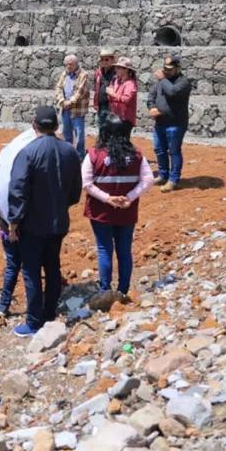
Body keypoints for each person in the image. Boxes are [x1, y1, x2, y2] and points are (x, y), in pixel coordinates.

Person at [7, 106, 82, 337]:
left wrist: (14, 221)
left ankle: (33, 321)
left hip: (32, 225)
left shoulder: (27, 153)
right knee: (52, 267)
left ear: (34, 125)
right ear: (57, 126)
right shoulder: (69, 151)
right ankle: (49, 313)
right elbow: (75, 191)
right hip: (58, 222)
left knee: (31, 271)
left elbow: (17, 189)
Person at [82, 114, 155, 310]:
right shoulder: (137, 155)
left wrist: (107, 199)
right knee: (124, 251)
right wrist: (129, 197)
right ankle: (123, 291)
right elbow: (148, 180)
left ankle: (105, 290)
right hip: (126, 212)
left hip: (101, 213)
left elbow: (86, 183)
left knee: (105, 250)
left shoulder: (93, 155)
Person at [0, 130, 37, 316]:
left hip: (5, 223)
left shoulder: (4, 163)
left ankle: (3, 305)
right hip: (23, 226)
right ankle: (33, 307)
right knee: (29, 266)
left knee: (12, 265)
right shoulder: (25, 170)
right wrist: (14, 225)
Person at [147, 54, 192, 192]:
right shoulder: (162, 82)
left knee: (174, 151)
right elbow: (151, 96)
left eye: (170, 69)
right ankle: (163, 175)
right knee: (159, 150)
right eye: (165, 68)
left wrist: (162, 79)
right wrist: (152, 107)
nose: (167, 71)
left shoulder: (183, 82)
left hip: (176, 124)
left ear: (177, 68)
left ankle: (173, 179)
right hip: (160, 123)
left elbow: (172, 92)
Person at [55, 54, 90, 159]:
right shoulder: (64, 74)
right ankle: (68, 154)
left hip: (77, 109)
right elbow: (58, 87)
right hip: (65, 108)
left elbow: (81, 91)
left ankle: (80, 155)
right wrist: (62, 100)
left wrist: (70, 102)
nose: (68, 67)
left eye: (70, 64)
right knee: (66, 132)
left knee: (79, 133)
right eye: (67, 64)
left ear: (76, 63)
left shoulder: (83, 75)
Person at [107, 57, 139, 126]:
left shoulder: (130, 84)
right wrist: (110, 93)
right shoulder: (116, 81)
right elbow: (111, 99)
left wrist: (112, 94)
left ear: (126, 70)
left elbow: (126, 99)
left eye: (119, 68)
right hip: (115, 116)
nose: (116, 70)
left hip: (125, 119)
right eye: (116, 67)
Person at [93, 48, 117, 124]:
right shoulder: (98, 72)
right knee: (101, 126)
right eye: (102, 60)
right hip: (101, 105)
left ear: (112, 60)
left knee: (111, 127)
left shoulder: (116, 73)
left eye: (106, 59)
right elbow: (96, 88)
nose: (104, 62)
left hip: (112, 105)